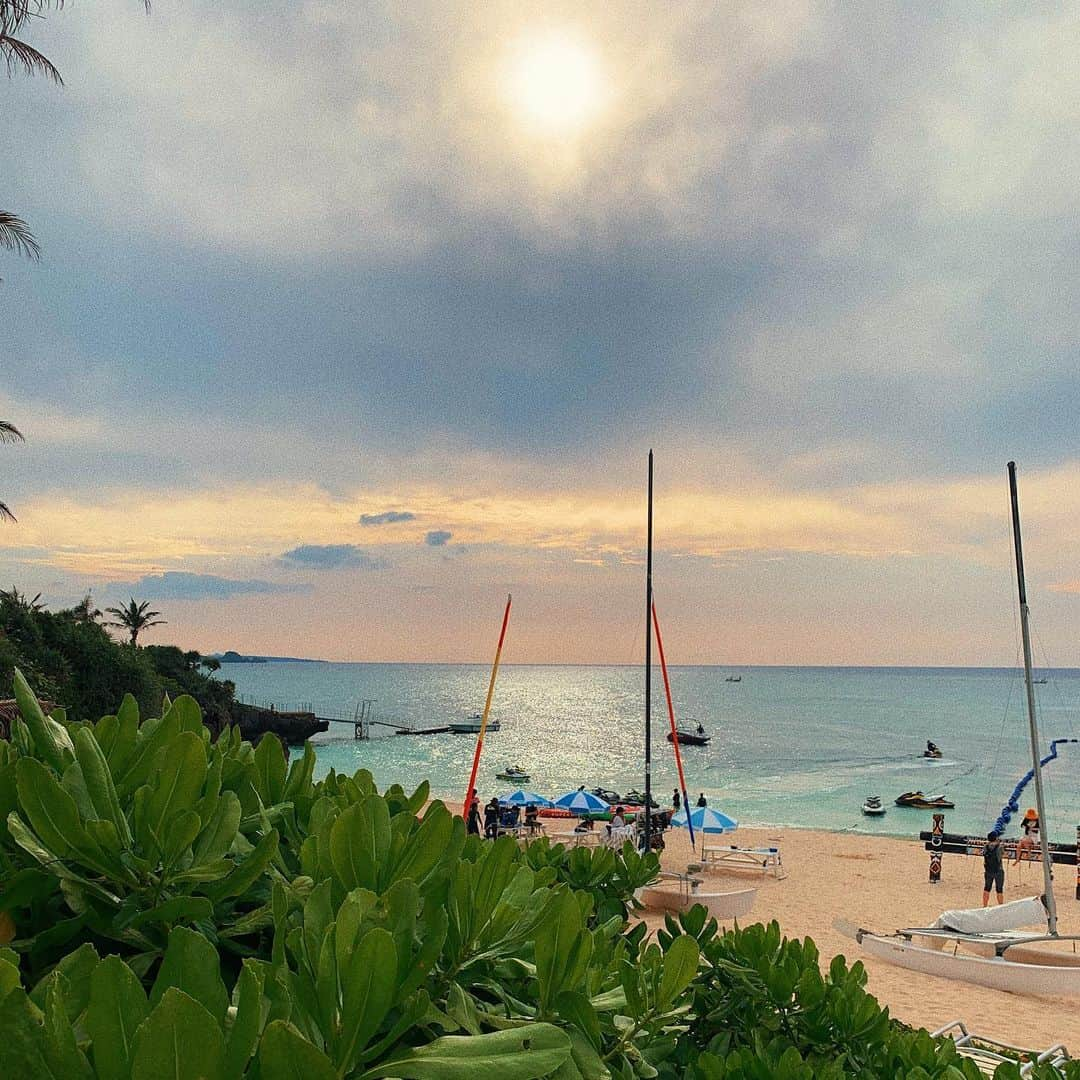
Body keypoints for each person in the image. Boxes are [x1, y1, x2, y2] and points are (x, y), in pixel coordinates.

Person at [982, 830, 1005, 906]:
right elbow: (1002, 854)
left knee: (987, 888)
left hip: (988, 870)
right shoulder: (999, 847)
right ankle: (1000, 906)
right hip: (998, 870)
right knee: (999, 890)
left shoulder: (985, 847)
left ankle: (985, 906)